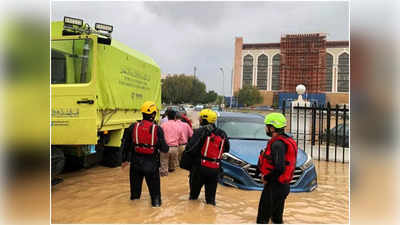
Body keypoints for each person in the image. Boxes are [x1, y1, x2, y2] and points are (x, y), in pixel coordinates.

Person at [121, 101, 168, 207]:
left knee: (134, 196)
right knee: (155, 198)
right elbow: (165, 149)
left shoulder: (133, 127)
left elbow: (125, 145)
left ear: (142, 113)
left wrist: (124, 160)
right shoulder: (157, 129)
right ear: (153, 114)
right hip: (151, 166)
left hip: (135, 165)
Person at [256, 113, 298, 224]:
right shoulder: (286, 141)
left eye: (267, 126)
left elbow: (280, 168)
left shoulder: (277, 144)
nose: (265, 128)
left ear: (272, 128)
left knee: (262, 220)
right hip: (283, 186)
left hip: (274, 187)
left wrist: (266, 177)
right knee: (276, 219)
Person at [185, 109, 229, 206]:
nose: (199, 119)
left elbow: (190, 150)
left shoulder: (199, 131)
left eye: (200, 117)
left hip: (199, 169)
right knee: (210, 200)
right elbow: (226, 149)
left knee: (193, 197)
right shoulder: (222, 133)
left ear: (204, 119)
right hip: (215, 169)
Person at [160, 110, 181, 176]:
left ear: (167, 117)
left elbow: (160, 136)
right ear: (175, 117)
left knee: (164, 170)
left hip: (164, 148)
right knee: (172, 169)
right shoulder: (178, 125)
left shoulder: (163, 125)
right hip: (174, 148)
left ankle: (164, 181)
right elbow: (180, 136)